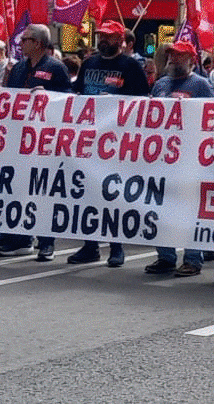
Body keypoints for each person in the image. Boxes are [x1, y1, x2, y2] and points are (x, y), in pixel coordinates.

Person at [68, 23, 150, 266]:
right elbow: (76, 92)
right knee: (88, 193)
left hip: (116, 142)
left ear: (120, 40)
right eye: (100, 36)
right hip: (88, 140)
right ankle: (90, 245)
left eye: (109, 37)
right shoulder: (90, 63)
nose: (103, 40)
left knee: (113, 194)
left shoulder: (131, 66)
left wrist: (115, 102)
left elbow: (143, 100)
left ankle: (116, 247)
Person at [145, 40, 214, 277]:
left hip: (190, 159)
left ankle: (193, 258)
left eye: (180, 56)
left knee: (189, 210)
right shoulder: (161, 84)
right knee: (162, 208)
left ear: (191, 60)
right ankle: (165, 256)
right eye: (172, 55)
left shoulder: (201, 85)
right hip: (163, 158)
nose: (174, 59)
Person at [0, 24, 63, 259]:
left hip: (44, 141)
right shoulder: (19, 68)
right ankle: (20, 238)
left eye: (26, 39)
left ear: (39, 43)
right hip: (18, 139)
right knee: (17, 189)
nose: (21, 43)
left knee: (43, 191)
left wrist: (49, 97)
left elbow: (69, 101)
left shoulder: (55, 68)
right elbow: (11, 97)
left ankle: (47, 242)